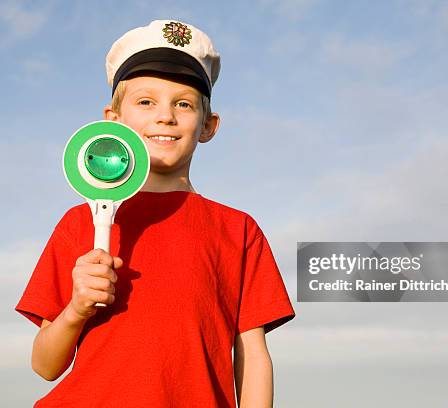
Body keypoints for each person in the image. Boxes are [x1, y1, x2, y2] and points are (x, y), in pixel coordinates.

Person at [15, 19, 295, 407]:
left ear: (208, 126)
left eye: (183, 103)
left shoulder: (238, 230)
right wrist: (76, 310)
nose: (165, 116)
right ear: (113, 120)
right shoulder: (78, 223)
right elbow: (44, 366)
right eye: (146, 101)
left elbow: (253, 356)